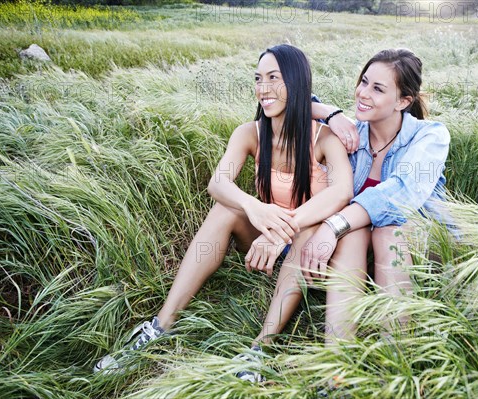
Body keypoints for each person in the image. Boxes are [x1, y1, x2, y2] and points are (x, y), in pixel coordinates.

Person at [93, 44, 353, 374]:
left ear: (297, 82)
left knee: (308, 232)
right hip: (263, 237)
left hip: (311, 247)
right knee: (223, 209)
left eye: (274, 77)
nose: (263, 88)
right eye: (258, 79)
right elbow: (218, 183)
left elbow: (342, 192)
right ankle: (161, 324)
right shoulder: (250, 133)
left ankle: (259, 350)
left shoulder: (324, 138)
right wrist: (253, 207)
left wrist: (281, 229)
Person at [305, 48, 451, 345]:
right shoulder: (351, 133)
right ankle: (337, 362)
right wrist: (332, 115)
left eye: (378, 88)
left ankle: (394, 355)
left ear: (403, 101)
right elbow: (292, 103)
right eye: (364, 82)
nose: (363, 93)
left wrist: (332, 225)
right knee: (355, 233)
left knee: (386, 232)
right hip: (362, 250)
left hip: (423, 242)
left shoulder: (430, 136)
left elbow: (400, 194)